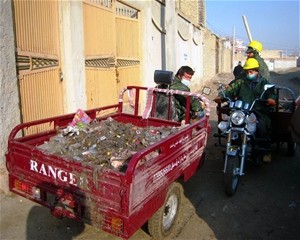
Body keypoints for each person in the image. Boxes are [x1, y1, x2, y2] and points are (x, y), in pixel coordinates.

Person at [215, 58, 276, 162]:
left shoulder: (264, 83)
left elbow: (271, 93)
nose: (249, 73)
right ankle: (232, 143)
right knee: (230, 123)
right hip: (242, 109)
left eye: (251, 71)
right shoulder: (241, 82)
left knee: (263, 125)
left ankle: (265, 151)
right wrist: (221, 96)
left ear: (257, 71)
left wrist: (271, 99)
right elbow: (230, 89)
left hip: (258, 109)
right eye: (247, 71)